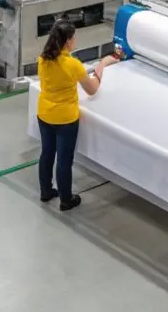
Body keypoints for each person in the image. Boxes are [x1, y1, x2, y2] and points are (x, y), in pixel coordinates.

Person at [36, 20, 120, 212]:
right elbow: (92, 89)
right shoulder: (73, 65)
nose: (75, 41)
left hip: (44, 113)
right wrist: (103, 64)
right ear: (67, 42)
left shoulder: (43, 58)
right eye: (73, 39)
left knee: (47, 154)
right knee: (64, 160)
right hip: (65, 119)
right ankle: (66, 199)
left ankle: (46, 191)